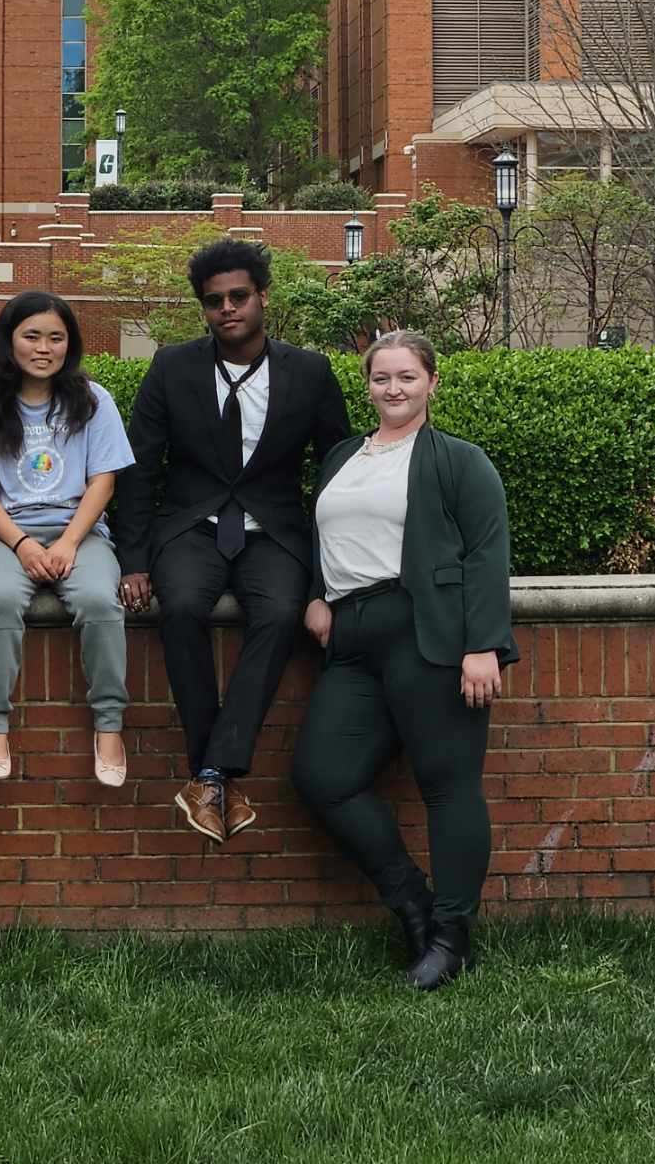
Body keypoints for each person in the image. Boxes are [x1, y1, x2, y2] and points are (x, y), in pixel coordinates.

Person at [292, 331, 517, 991]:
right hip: (352, 638)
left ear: (432, 382)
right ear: (368, 385)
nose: (393, 388)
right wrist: (317, 594)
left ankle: (452, 936)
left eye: (407, 377)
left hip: (430, 632)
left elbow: (487, 554)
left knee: (448, 785)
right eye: (381, 378)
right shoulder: (342, 457)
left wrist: (483, 645)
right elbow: (324, 535)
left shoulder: (460, 461)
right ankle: (413, 905)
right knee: (323, 777)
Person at [116, 239, 350, 843]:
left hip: (273, 530)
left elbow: (336, 471)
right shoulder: (172, 367)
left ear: (263, 297)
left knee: (279, 614)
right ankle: (218, 773)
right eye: (214, 300)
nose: (227, 308)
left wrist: (327, 573)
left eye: (238, 296)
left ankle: (210, 774)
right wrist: (134, 560)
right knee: (181, 607)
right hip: (190, 526)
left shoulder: (310, 372)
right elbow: (139, 469)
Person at [0, 292, 135, 785]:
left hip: (79, 532)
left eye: (56, 338)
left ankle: (109, 724)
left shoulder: (95, 402)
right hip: (6, 535)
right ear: (8, 340)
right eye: (31, 336)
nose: (43, 348)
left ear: (69, 344)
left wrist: (69, 543)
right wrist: (23, 545)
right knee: (0, 599)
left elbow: (103, 483)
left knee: (99, 600)